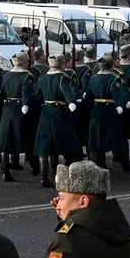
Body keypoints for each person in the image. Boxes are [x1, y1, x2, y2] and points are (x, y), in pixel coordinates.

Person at [33, 56, 82, 189]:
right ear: (61, 65)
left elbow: (37, 95)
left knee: (45, 143)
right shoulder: (62, 77)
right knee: (66, 142)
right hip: (59, 112)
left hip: (45, 112)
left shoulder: (43, 78)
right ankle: (66, 174)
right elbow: (66, 91)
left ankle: (44, 176)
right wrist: (72, 102)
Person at [0, 52, 36, 183]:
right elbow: (26, 92)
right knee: (28, 138)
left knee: (6, 140)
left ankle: (5, 170)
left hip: (7, 109)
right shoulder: (26, 76)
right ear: (25, 63)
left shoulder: (6, 75)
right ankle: (35, 167)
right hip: (20, 109)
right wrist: (26, 105)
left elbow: (1, 92)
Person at [84, 57, 130, 174]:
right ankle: (125, 164)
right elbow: (116, 92)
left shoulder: (93, 78)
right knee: (115, 136)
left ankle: (98, 164)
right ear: (111, 66)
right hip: (110, 109)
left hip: (96, 109)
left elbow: (89, 94)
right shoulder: (114, 78)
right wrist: (120, 105)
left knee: (97, 136)